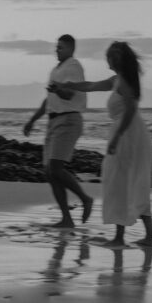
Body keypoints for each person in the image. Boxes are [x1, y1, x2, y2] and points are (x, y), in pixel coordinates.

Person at [51, 41, 152, 248]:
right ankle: (148, 237)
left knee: (120, 182)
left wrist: (117, 138)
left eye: (108, 57)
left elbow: (131, 110)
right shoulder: (117, 80)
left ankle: (120, 237)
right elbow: (91, 86)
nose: (106, 60)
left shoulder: (124, 82)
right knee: (128, 181)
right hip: (129, 132)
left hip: (128, 134)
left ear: (115, 59)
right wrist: (69, 85)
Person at [23, 34, 93, 230]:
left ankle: (85, 199)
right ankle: (66, 219)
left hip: (69, 119)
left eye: (60, 47)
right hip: (53, 121)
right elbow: (49, 100)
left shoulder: (73, 66)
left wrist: (58, 90)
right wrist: (32, 120)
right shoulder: (56, 69)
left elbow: (69, 94)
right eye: (56, 47)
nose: (57, 50)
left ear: (71, 49)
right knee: (50, 173)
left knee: (55, 168)